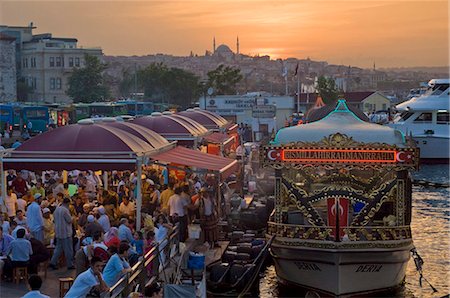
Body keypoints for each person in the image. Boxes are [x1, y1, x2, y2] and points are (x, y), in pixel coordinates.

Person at [50, 197, 74, 270]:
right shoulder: (65, 210)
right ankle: (70, 264)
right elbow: (69, 220)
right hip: (66, 232)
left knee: (58, 248)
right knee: (68, 250)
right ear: (67, 203)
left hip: (58, 232)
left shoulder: (57, 209)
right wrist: (73, 218)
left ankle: (53, 262)